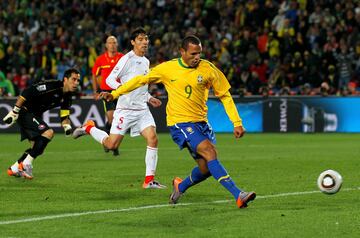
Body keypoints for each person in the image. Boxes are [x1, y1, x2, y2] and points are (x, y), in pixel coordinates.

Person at [99, 35, 256, 208]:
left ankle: (180, 186)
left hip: (201, 123)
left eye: (199, 53)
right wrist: (114, 94)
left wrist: (236, 122)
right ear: (182, 51)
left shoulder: (208, 69)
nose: (197, 57)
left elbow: (225, 95)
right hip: (180, 123)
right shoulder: (168, 68)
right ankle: (238, 194)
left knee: (205, 169)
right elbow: (139, 80)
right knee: (210, 152)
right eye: (193, 53)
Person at [73, 28, 166, 189]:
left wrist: (149, 98)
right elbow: (109, 79)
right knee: (111, 145)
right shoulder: (126, 59)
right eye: (141, 39)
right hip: (126, 110)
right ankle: (89, 127)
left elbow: (141, 87)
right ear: (132, 42)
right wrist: (122, 88)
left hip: (142, 109)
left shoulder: (146, 61)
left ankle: (148, 181)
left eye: (146, 39)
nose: (145, 42)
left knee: (153, 138)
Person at [4, 68, 81, 179]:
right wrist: (15, 110)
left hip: (34, 115)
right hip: (25, 111)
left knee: (38, 148)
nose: (76, 83)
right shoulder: (51, 86)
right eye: (73, 79)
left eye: (78, 81)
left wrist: (67, 126)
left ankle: (14, 168)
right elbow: (27, 91)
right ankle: (25, 165)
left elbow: (65, 116)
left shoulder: (68, 97)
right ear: (65, 79)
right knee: (48, 133)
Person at [92, 35, 124, 156]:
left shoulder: (122, 58)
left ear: (117, 44)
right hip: (106, 92)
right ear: (106, 45)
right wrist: (95, 91)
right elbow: (94, 75)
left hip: (120, 91)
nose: (112, 44)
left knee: (120, 120)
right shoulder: (100, 59)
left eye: (114, 42)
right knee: (111, 118)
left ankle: (114, 145)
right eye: (110, 42)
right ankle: (107, 142)